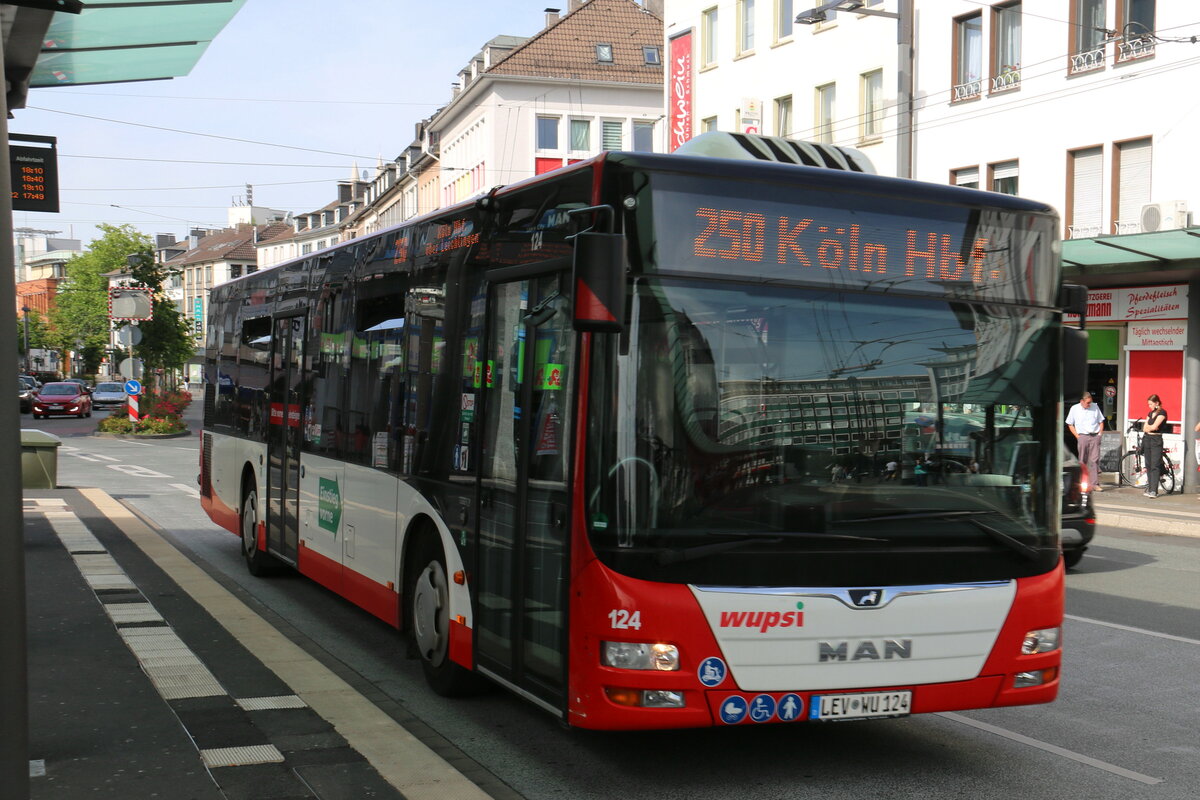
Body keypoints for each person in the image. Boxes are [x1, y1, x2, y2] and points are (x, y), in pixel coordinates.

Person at [1065, 391, 1105, 491]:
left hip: (1094, 435)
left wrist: (1099, 434)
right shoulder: (1075, 408)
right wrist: (1077, 436)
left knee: (1094, 460)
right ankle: (1081, 482)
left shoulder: (1095, 407)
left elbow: (1101, 421)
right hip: (1082, 435)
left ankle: (1094, 484)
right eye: (1087, 402)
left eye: (1090, 402)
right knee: (1082, 460)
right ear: (1081, 401)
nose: (1089, 404)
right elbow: (1070, 424)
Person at [1141, 394, 1168, 498]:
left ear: (1156, 403)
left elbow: (1155, 426)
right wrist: (1149, 428)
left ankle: (1154, 490)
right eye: (1148, 404)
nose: (1149, 406)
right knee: (1148, 465)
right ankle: (1150, 487)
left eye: (1151, 404)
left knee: (1155, 465)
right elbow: (1145, 427)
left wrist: (1151, 427)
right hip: (1147, 439)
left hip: (1156, 440)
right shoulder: (1150, 413)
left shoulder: (1162, 412)